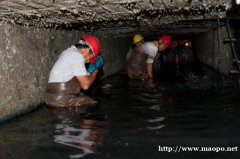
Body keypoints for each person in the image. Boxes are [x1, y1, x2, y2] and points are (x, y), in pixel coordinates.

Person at [46, 35, 104, 108]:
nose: (89, 61)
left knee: (87, 100)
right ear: (85, 50)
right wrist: (96, 70)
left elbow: (78, 77)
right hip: (62, 100)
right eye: (90, 57)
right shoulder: (77, 56)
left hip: (53, 98)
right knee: (94, 105)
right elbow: (85, 85)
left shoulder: (69, 52)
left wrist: (89, 72)